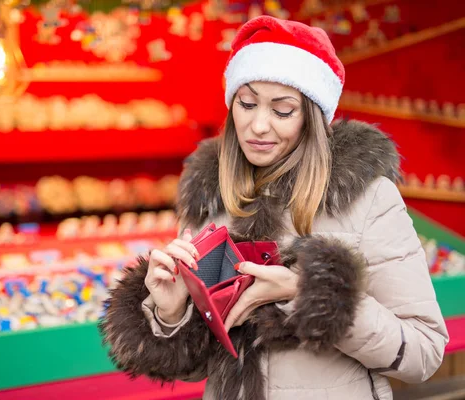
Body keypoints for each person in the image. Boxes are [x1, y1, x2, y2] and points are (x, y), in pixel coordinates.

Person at [99, 16, 448, 400]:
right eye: (246, 104)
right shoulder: (211, 197)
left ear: (311, 118)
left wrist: (307, 295)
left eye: (282, 110)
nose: (258, 126)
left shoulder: (367, 198)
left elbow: (423, 353)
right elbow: (200, 365)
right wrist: (172, 312)